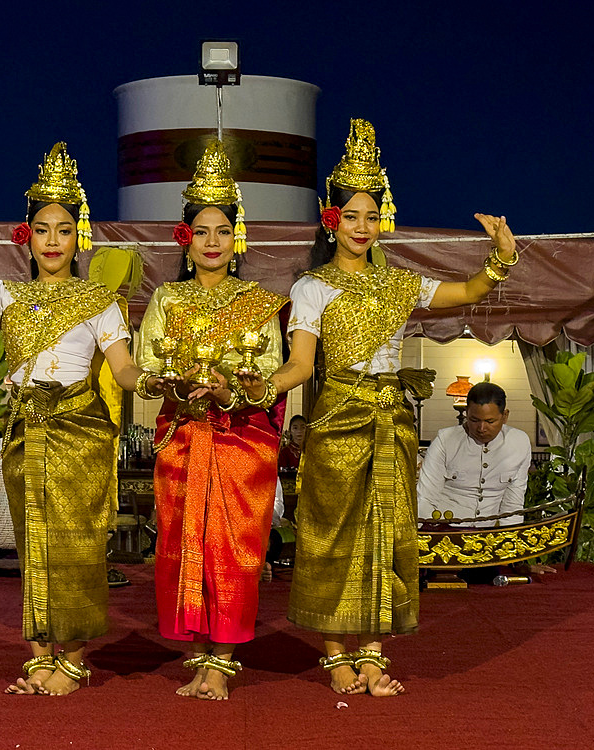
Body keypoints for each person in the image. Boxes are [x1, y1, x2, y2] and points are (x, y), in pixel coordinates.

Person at [249, 119, 521, 696]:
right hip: (335, 421)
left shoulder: (399, 285)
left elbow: (468, 292)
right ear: (331, 219)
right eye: (351, 216)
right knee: (329, 536)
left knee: (384, 533)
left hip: (389, 421)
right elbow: (300, 367)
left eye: (372, 216)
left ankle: (372, 651)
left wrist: (500, 259)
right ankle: (332, 650)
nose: (363, 227)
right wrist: (258, 388)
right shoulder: (311, 287)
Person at [0, 142, 149, 696]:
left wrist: (153, 380)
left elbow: (125, 368)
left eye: (64, 229)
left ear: (76, 237)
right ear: (28, 236)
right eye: (43, 229)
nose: (54, 241)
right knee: (31, 542)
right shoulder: (8, 297)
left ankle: (76, 660)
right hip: (26, 435)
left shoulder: (100, 302)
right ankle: (40, 657)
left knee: (78, 544)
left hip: (82, 434)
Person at [135, 140, 287, 701]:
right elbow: (146, 365)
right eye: (202, 231)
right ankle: (197, 652)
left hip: (240, 441)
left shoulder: (258, 302)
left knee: (232, 549)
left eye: (223, 231)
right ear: (185, 237)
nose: (213, 242)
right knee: (180, 545)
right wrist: (168, 384)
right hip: (182, 438)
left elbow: (269, 371)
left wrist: (231, 389)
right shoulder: (166, 300)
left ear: (237, 237)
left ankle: (223, 659)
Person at [417, 382, 531, 527]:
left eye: (490, 421)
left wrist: (510, 542)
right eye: (474, 420)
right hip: (444, 532)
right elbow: (425, 498)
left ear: (505, 416)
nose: (481, 428)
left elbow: (513, 505)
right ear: (466, 412)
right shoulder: (445, 440)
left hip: (486, 536)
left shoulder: (519, 443)